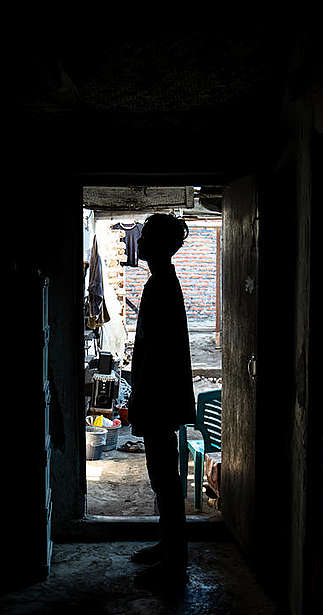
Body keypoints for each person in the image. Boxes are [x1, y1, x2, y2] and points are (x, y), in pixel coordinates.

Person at [125, 213, 196, 586]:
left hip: (160, 397)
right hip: (160, 395)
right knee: (162, 477)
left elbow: (157, 353)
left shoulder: (162, 285)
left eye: (146, 237)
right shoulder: (161, 282)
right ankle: (168, 546)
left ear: (158, 245)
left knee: (165, 479)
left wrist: (142, 395)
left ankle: (174, 564)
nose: (140, 243)